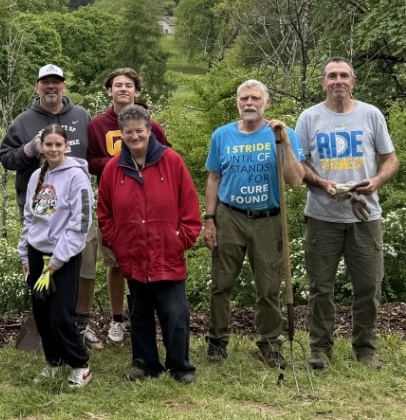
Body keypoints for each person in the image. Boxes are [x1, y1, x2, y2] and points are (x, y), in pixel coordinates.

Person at [296, 57, 399, 370]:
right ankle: (320, 349)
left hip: (365, 216)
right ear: (323, 83)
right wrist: (320, 182)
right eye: (332, 76)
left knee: (368, 286)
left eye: (343, 75)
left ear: (352, 81)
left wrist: (377, 181)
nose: (337, 81)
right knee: (320, 288)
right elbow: (298, 164)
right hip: (321, 216)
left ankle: (365, 348)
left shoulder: (371, 114)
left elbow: (391, 159)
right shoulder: (309, 118)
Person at [203, 80, 304, 368]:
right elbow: (214, 178)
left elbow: (296, 179)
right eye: (244, 98)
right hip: (230, 217)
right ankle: (217, 342)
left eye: (255, 98)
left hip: (268, 219)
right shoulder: (222, 135)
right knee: (221, 283)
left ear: (266, 103)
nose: (249, 103)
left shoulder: (282, 134)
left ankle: (269, 344)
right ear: (238, 102)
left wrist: (285, 143)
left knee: (269, 286)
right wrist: (209, 219)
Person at [98, 105, 200, 383]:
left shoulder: (172, 161)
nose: (135, 136)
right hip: (132, 254)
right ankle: (144, 363)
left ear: (149, 130)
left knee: (175, 314)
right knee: (140, 313)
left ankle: (180, 366)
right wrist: (118, 243)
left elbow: (190, 205)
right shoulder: (113, 168)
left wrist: (181, 239)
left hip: (167, 252)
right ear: (121, 134)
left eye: (139, 131)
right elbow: (105, 212)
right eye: (128, 132)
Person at [0, 64, 94, 342]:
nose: (51, 86)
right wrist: (29, 149)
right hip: (42, 212)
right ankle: (47, 327)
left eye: (56, 81)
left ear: (64, 85)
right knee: (40, 271)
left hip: (77, 210)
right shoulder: (23, 121)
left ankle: (80, 324)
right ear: (37, 87)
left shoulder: (82, 116)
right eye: (45, 82)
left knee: (83, 267)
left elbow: (96, 156)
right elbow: (5, 158)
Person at [85, 68, 171, 346]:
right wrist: (119, 163)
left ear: (137, 91)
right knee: (116, 262)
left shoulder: (149, 124)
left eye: (128, 85)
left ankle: (146, 317)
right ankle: (117, 319)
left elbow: (167, 154)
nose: (123, 89)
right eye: (118, 85)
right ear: (109, 91)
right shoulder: (98, 125)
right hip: (115, 202)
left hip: (149, 203)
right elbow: (89, 161)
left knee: (148, 258)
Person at [18, 124, 93, 387]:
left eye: (58, 144)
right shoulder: (36, 176)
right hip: (37, 255)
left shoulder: (76, 177)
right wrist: (25, 254)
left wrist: (58, 260)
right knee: (42, 314)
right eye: (48, 144)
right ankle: (54, 361)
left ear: (66, 146)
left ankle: (80, 364)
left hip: (63, 257)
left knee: (61, 316)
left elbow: (81, 222)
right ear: (42, 147)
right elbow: (29, 218)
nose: (53, 149)